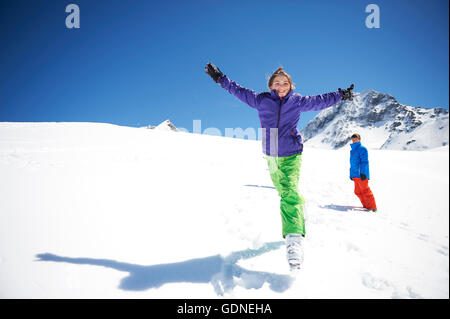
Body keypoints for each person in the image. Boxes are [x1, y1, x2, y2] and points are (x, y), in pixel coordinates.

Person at [205, 62, 354, 270]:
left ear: (291, 85)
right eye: (277, 82)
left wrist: (341, 95)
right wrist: (220, 78)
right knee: (284, 191)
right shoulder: (261, 100)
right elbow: (237, 90)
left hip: (292, 153)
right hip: (271, 155)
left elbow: (321, 101)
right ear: (271, 86)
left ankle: (294, 242)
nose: (281, 85)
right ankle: (300, 211)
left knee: (288, 194)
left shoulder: (298, 101)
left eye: (285, 82)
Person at [349, 133, 377, 212]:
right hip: (355, 175)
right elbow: (352, 164)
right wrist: (351, 175)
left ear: (359, 139)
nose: (354, 141)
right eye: (353, 140)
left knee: (365, 191)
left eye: (356, 139)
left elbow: (364, 162)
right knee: (357, 191)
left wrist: (363, 173)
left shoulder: (362, 149)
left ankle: (373, 207)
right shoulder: (352, 151)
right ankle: (366, 206)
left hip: (361, 175)